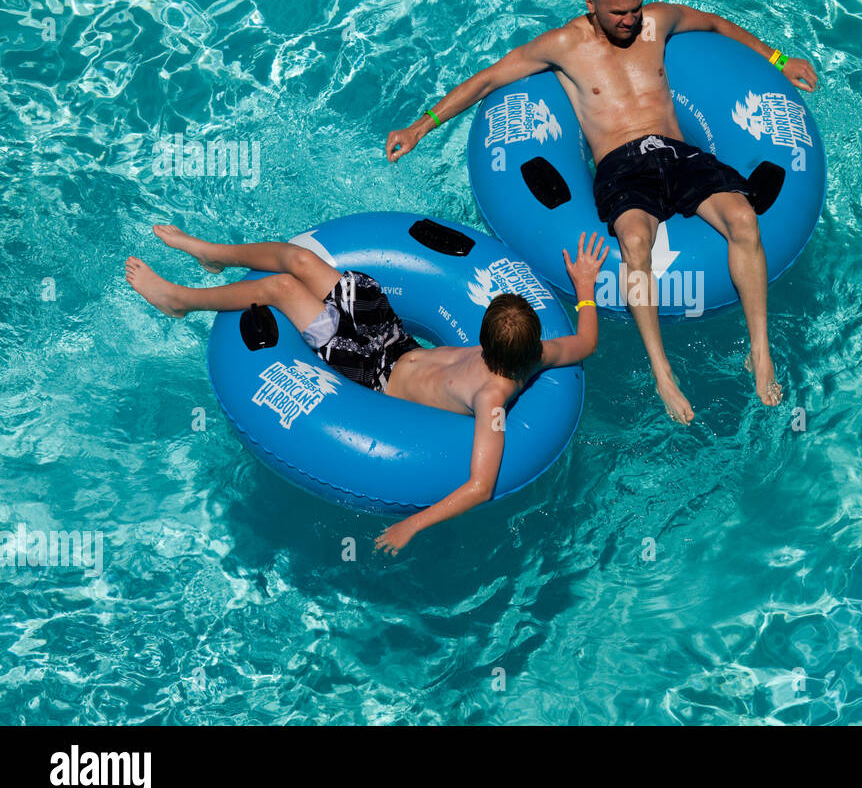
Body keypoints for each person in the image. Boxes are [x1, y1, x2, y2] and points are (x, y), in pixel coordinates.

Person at [384, 0, 818, 424]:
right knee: (635, 241)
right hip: (623, 166)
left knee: (744, 219)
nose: (631, 21)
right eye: (618, 14)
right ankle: (662, 370)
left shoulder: (657, 21)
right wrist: (421, 126)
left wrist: (777, 59)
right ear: (590, 5)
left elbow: (713, 23)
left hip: (678, 153)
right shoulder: (565, 45)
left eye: (635, 8)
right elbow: (489, 78)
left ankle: (760, 350)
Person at [125, 224, 608, 554]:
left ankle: (180, 301)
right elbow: (586, 339)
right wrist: (584, 285)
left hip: (370, 372)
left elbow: (480, 486)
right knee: (297, 259)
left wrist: (410, 526)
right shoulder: (540, 352)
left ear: (486, 341)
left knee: (281, 289)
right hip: (393, 338)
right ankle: (213, 254)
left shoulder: (492, 400)